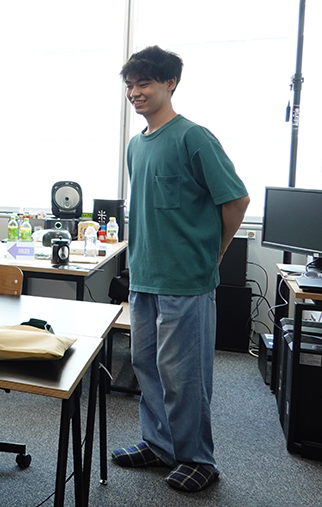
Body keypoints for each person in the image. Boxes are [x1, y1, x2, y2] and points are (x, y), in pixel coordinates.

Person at [113, 45, 249, 493]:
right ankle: (160, 444)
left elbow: (236, 200)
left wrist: (217, 250)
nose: (135, 92)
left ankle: (197, 459)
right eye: (130, 85)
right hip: (144, 275)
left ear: (170, 83)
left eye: (144, 83)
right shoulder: (136, 145)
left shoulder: (194, 137)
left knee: (182, 373)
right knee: (146, 364)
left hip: (186, 279)